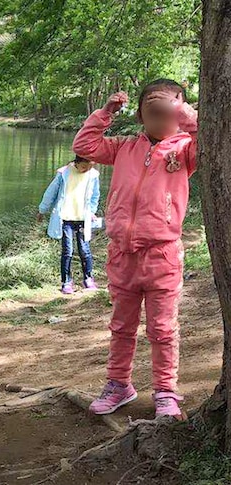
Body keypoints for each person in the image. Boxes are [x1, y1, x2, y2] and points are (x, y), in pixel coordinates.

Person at [72, 79, 198, 419]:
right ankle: (118, 384)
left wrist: (182, 110)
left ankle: (166, 392)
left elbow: (208, 140)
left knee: (162, 328)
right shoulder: (124, 147)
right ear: (141, 116)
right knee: (122, 326)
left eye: (168, 112)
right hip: (122, 254)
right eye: (152, 113)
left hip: (163, 255)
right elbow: (84, 145)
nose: (161, 120)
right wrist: (106, 113)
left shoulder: (185, 149)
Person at [37, 156, 101, 294]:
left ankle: (88, 278)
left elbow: (95, 195)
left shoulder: (93, 175)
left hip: (83, 219)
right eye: (84, 167)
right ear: (77, 163)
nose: (86, 170)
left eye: (90, 167)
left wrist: (92, 212)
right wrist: (42, 210)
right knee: (68, 251)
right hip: (66, 218)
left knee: (85, 250)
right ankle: (66, 281)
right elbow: (51, 193)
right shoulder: (64, 173)